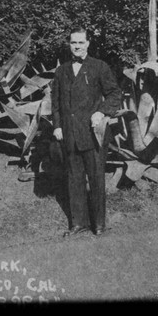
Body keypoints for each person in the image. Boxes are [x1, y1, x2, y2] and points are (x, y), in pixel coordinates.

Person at [51, 26, 121, 237]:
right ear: (69, 45)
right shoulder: (61, 71)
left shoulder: (99, 67)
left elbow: (114, 94)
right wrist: (57, 126)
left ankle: (98, 224)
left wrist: (101, 112)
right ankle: (78, 223)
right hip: (70, 135)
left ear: (88, 44)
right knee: (74, 179)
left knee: (97, 179)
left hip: (93, 135)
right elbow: (55, 102)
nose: (77, 47)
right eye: (73, 43)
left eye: (81, 42)